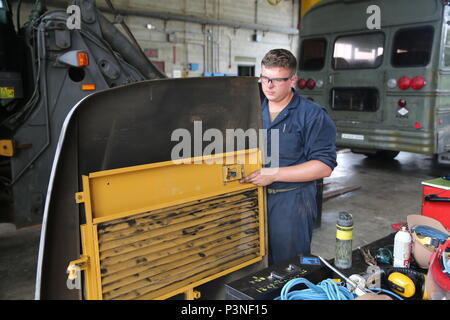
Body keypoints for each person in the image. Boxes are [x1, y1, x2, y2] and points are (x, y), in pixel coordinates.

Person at [240, 48, 337, 265]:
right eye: (264, 78)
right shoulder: (253, 111)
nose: (268, 85)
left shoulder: (312, 116)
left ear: (293, 80)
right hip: (255, 198)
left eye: (277, 80)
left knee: (289, 265)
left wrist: (273, 174)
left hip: (292, 202)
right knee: (255, 265)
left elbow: (324, 166)